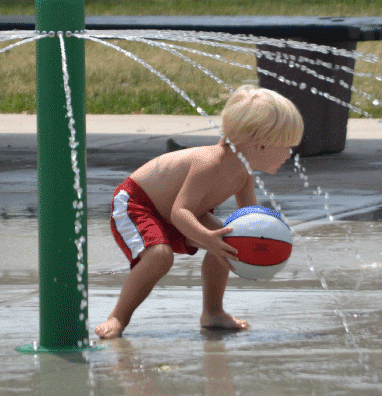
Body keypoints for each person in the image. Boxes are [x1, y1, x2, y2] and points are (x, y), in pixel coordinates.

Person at [95, 85, 304, 339]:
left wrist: (266, 239)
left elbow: (251, 219)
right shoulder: (209, 163)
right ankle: (117, 317)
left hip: (180, 209)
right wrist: (209, 239)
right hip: (138, 204)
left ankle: (212, 313)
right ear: (260, 146)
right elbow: (179, 212)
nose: (289, 155)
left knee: (230, 242)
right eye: (286, 147)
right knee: (160, 256)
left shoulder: (243, 172)